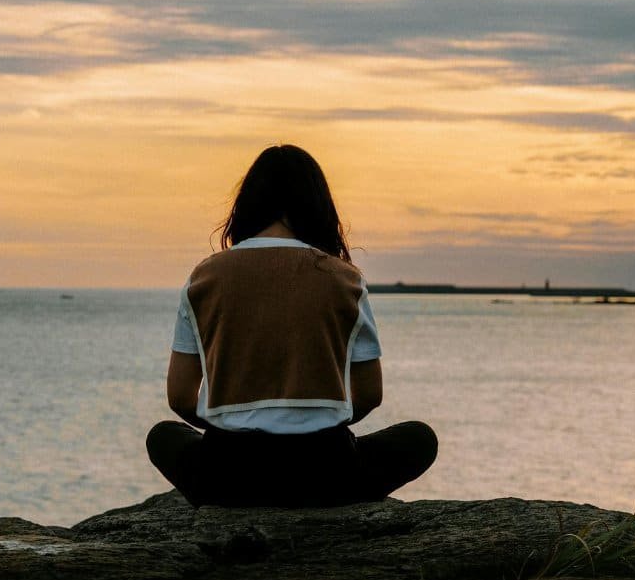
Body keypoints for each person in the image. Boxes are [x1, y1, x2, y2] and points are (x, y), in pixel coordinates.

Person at [146, 144, 437, 508]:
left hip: (226, 475)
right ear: (317, 205)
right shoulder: (344, 280)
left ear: (247, 205)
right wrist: (314, 422)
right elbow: (369, 394)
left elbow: (179, 397)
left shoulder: (203, 278)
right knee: (420, 438)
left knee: (162, 436)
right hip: (326, 472)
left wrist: (238, 429)